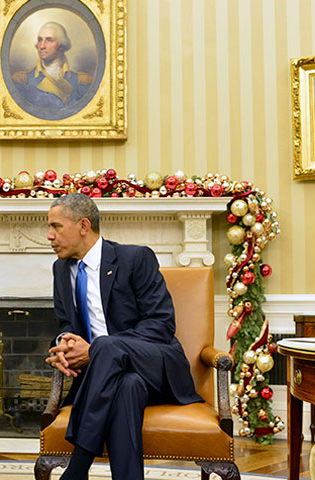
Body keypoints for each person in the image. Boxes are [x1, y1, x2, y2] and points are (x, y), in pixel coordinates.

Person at [45, 193, 202, 480]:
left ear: (83, 226)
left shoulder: (135, 258)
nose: (49, 236)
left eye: (56, 227)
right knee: (127, 386)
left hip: (156, 364)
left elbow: (161, 324)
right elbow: (65, 324)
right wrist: (63, 345)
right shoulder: (61, 269)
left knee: (106, 345)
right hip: (114, 379)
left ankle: (78, 467)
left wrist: (100, 350)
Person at [12, 22, 92, 109]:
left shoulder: (81, 82)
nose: (41, 46)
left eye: (49, 40)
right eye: (40, 40)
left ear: (61, 45)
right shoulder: (23, 81)